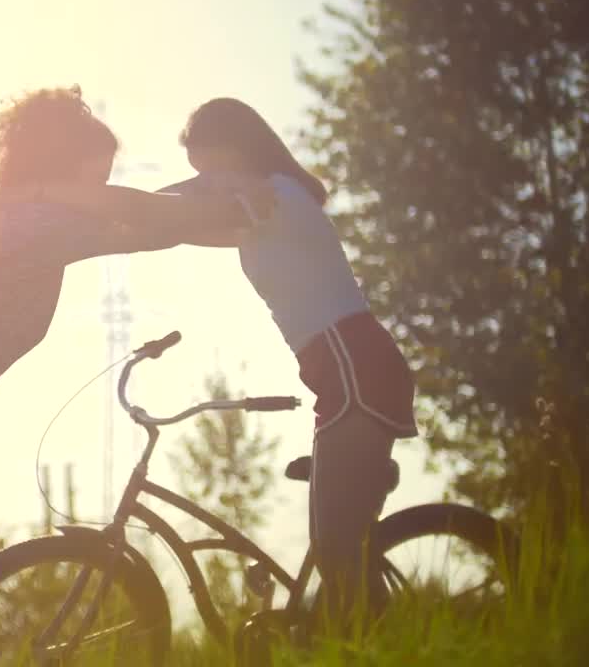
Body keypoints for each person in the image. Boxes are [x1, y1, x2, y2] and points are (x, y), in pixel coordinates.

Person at [0, 85, 274, 666]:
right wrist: (240, 199)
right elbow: (147, 223)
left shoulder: (32, 218)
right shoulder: (34, 223)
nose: (102, 193)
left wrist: (221, 199)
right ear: (65, 172)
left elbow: (139, 219)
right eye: (97, 178)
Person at [165, 96, 418, 626]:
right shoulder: (259, 211)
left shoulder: (276, 196)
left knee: (336, 549)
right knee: (339, 549)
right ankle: (375, 639)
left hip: (354, 365)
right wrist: (97, 224)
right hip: (344, 370)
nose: (204, 180)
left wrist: (104, 204)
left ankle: (393, 643)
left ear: (235, 149)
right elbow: (171, 224)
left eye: (208, 167)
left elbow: (189, 203)